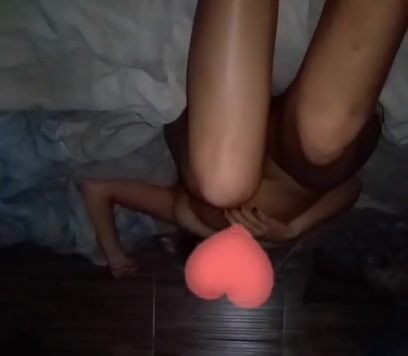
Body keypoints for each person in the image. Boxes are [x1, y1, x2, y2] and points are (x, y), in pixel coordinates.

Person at [80, 0, 408, 278]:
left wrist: (115, 255)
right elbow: (350, 190)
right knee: (323, 140)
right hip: (295, 157)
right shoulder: (276, 240)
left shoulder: (184, 216)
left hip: (226, 134)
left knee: (222, 185)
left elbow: (97, 188)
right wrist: (291, 230)